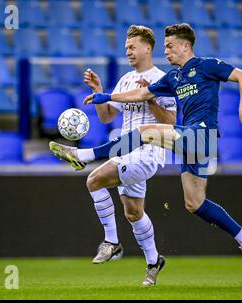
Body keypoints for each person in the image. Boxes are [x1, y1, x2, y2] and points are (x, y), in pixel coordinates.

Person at [51, 23, 242, 271]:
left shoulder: (206, 65)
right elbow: (141, 94)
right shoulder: (173, 77)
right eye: (165, 47)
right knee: (194, 203)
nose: (167, 51)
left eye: (170, 46)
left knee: (144, 133)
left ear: (186, 46)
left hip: (202, 134)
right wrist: (106, 96)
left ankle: (83, 155)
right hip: (191, 143)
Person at [52, 25, 177, 287]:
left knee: (94, 180)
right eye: (126, 48)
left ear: (147, 48)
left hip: (148, 152)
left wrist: (151, 97)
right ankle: (154, 262)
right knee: (133, 213)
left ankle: (111, 241)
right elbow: (108, 116)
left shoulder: (163, 80)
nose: (128, 52)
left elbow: (171, 122)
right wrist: (100, 92)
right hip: (125, 151)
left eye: (132, 47)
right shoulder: (125, 80)